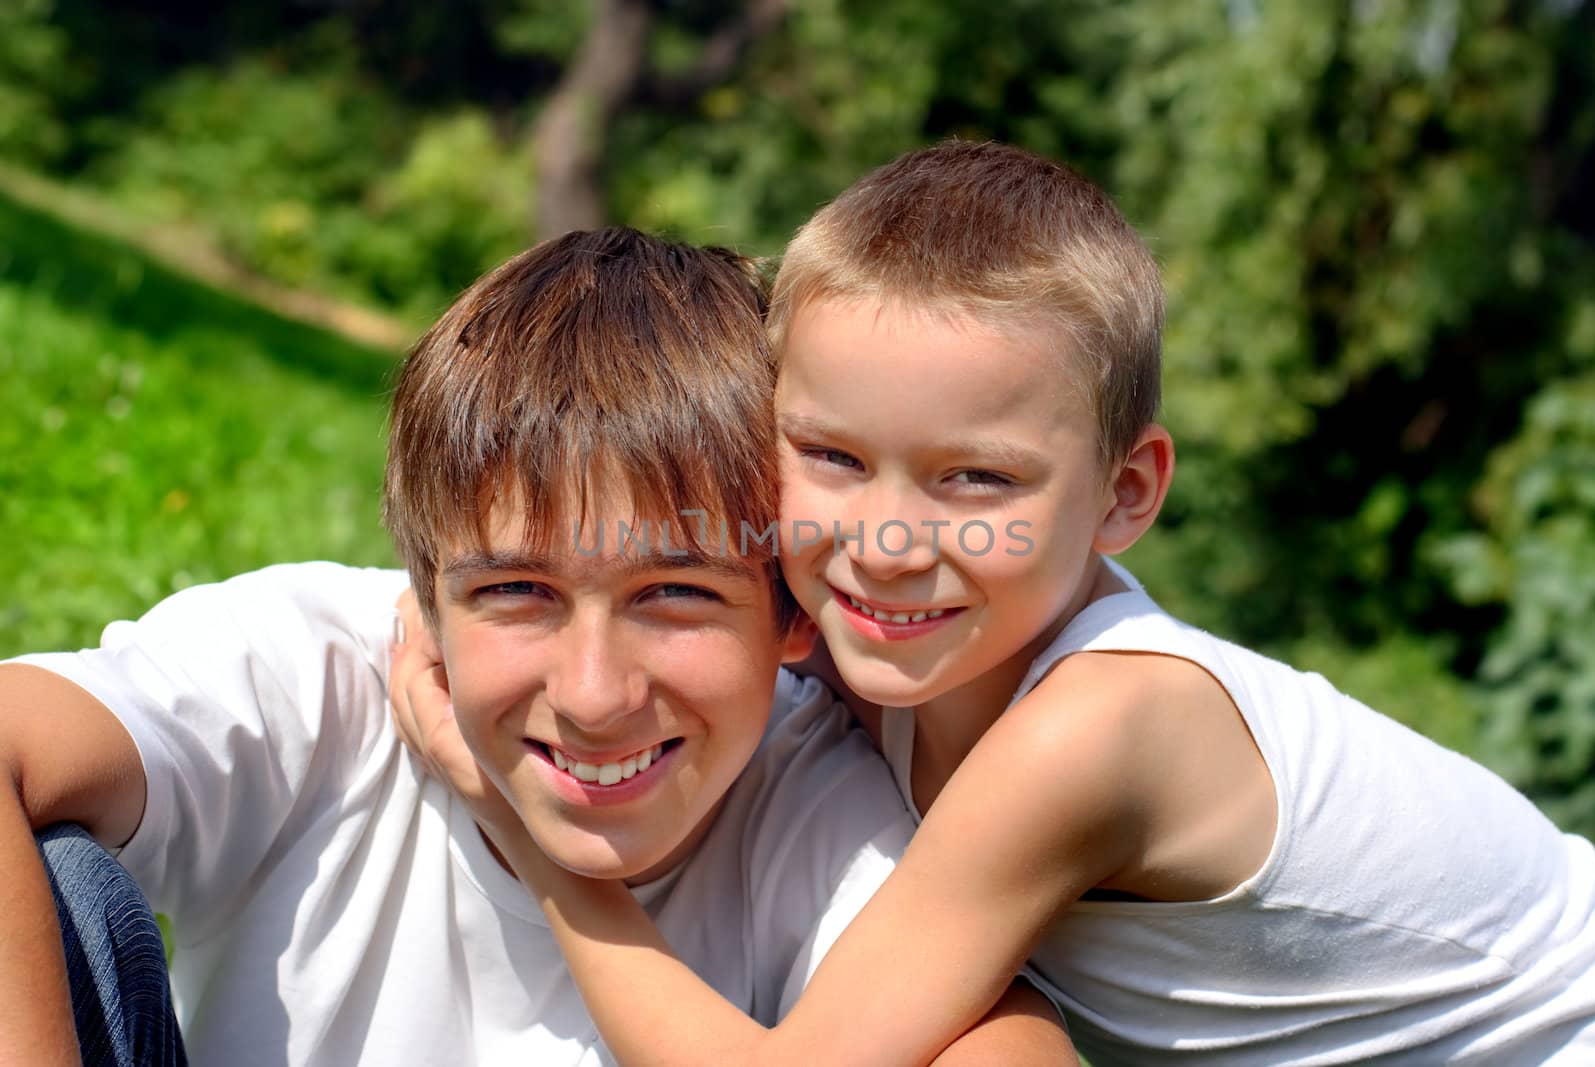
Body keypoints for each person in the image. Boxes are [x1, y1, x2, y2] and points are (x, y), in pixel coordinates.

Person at [394, 141, 1595, 1065]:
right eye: (830, 455)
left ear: (1126, 492)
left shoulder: (1098, 727)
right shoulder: (901, 652)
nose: (889, 545)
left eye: (977, 478)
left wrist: (542, 851)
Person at [0, 227, 1074, 1066]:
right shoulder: (307, 671)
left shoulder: (813, 796)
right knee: (61, 890)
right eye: (516, 590)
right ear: (423, 597)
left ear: (792, 611)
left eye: (675, 594)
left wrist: (523, 829)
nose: (595, 694)